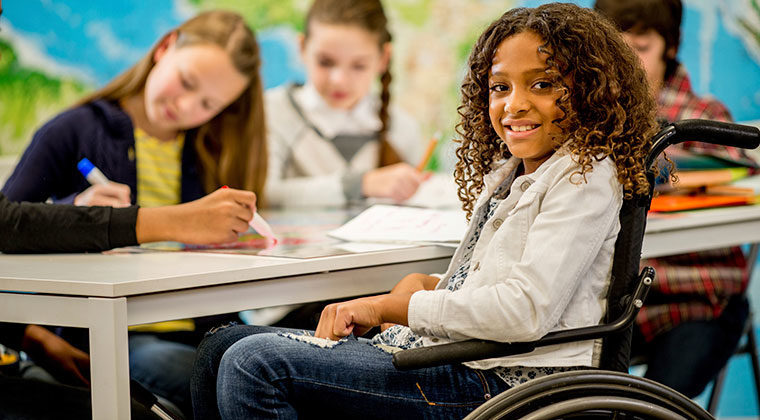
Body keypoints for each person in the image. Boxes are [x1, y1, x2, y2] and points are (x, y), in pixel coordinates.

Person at [190, 4, 659, 418]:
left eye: (542, 84)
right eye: (499, 87)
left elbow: (524, 311)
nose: (514, 104)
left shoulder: (584, 175)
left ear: (593, 89)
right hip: (464, 359)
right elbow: (508, 281)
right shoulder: (517, 171)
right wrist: (430, 285)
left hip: (507, 384)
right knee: (218, 348)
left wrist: (392, 305)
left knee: (252, 366)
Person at [595, 0, 754, 398]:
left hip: (699, 300)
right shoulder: (590, 121)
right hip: (615, 303)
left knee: (650, 405)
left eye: (642, 48)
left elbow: (734, 182)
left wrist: (666, 171)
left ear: (669, 46)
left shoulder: (705, 116)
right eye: (617, 51)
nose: (628, 65)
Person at [0, 186, 257, 419]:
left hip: (197, 326)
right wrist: (175, 220)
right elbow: (10, 223)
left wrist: (30, 336)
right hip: (126, 335)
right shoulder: (72, 135)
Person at [2, 10, 267, 209]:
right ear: (164, 48)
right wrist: (76, 211)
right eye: (186, 81)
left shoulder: (218, 150)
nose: (185, 106)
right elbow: (7, 224)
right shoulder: (71, 130)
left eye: (209, 105)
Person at [264, 0, 427, 208]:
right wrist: (361, 184)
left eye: (358, 66)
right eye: (325, 62)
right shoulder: (273, 112)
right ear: (302, 48)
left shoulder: (403, 128)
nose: (339, 80)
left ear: (383, 59)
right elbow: (265, 194)